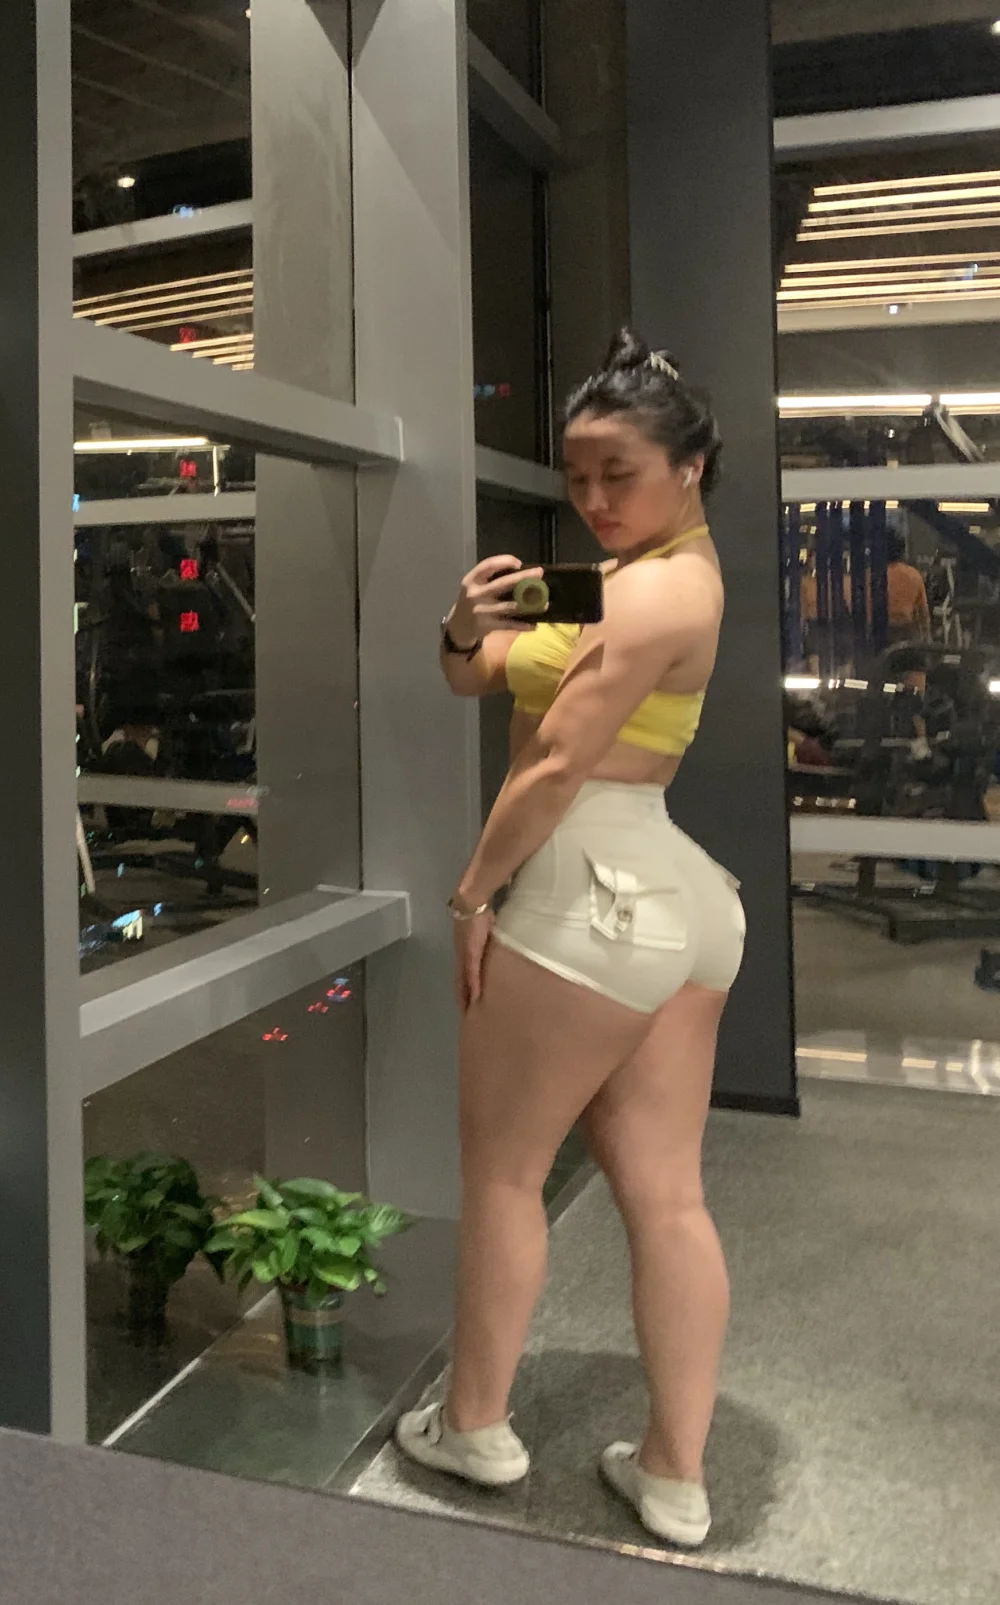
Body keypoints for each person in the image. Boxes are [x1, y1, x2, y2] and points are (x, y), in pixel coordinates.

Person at [395, 332, 745, 1550]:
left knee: (503, 1172)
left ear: (690, 467)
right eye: (578, 476)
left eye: (620, 474)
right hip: (674, 891)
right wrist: (459, 628)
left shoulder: (652, 592)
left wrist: (472, 896)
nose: (593, 499)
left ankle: (474, 1425)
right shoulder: (640, 575)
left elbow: (553, 762)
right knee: (668, 1195)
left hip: (584, 883)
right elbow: (484, 673)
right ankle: (675, 1476)